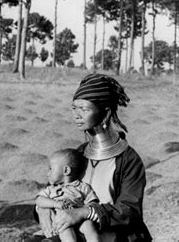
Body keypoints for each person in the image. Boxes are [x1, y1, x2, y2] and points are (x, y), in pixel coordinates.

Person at [37, 73, 152, 241]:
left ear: (105, 113)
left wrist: (84, 212)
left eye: (84, 109)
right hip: (77, 230)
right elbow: (54, 190)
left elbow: (129, 210)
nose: (76, 115)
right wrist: (43, 209)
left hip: (116, 234)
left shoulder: (129, 160)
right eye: (74, 108)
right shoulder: (79, 154)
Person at [36, 149, 100, 242]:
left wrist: (82, 210)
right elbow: (39, 200)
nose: (47, 174)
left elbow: (92, 202)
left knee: (90, 227)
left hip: (79, 219)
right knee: (66, 233)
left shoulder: (83, 187)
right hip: (62, 221)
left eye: (51, 169)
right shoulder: (51, 189)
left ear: (66, 170)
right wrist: (55, 204)